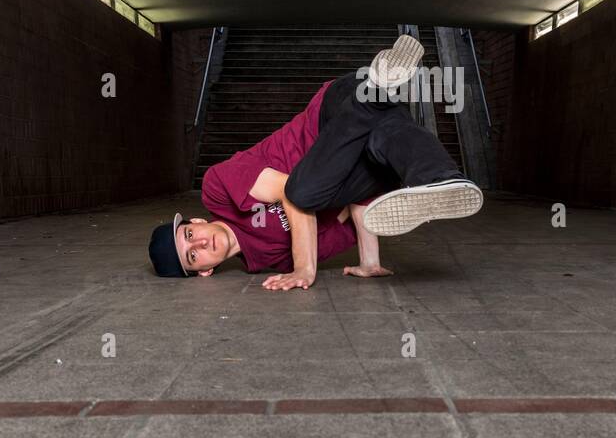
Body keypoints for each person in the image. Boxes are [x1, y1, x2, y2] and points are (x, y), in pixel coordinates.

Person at [147, 35, 483, 290]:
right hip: (365, 147)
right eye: (194, 255)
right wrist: (369, 262)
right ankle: (441, 176)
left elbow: (293, 199)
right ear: (205, 271)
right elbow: (347, 211)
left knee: (302, 191)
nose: (202, 243)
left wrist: (303, 268)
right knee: (384, 139)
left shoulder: (217, 189)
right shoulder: (264, 261)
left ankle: (375, 93)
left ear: (196, 220)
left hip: (330, 112)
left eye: (190, 233)